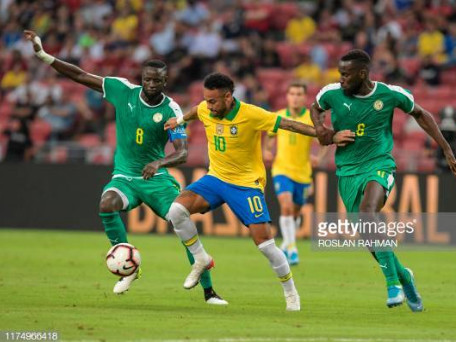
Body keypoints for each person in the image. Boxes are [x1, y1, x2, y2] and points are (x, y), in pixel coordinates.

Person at [24, 30, 227, 305]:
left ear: (165, 81)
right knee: (106, 204)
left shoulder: (172, 110)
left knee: (182, 223)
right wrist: (44, 55)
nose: (150, 84)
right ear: (141, 78)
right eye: (146, 79)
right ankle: (130, 267)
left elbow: (182, 153)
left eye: (156, 80)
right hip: (125, 176)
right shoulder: (123, 91)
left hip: (156, 180)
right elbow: (81, 75)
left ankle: (209, 291)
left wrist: (158, 162)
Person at [163, 72, 354, 311]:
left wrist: (329, 135)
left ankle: (291, 292)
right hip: (215, 178)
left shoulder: (251, 114)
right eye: (206, 100)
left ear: (228, 97)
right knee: (177, 211)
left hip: (246, 184)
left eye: (213, 101)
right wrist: (179, 121)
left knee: (265, 245)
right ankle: (201, 258)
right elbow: (196, 110)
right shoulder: (205, 108)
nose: (208, 106)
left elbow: (289, 125)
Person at [311, 49, 456, 311]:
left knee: (368, 213)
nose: (341, 79)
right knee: (370, 241)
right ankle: (405, 276)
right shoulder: (331, 93)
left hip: (379, 164)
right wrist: (322, 130)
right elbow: (315, 109)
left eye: (346, 75)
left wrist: (446, 148)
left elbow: (422, 114)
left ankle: (393, 284)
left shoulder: (390, 94)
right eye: (340, 74)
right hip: (347, 170)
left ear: (362, 73)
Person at [263, 82, 327, 265]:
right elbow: (269, 137)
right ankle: (292, 249)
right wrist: (267, 150)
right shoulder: (279, 116)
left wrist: (319, 157)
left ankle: (286, 243)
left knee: (295, 213)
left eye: (299, 94)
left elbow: (324, 141)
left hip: (303, 173)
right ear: (287, 96)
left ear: (305, 97)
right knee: (286, 206)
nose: (295, 97)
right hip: (281, 169)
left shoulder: (311, 118)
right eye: (292, 93)